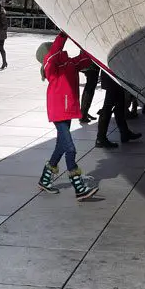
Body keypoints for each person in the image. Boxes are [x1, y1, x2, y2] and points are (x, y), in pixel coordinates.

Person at [36, 33, 98, 201]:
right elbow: (54, 52)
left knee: (61, 146)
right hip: (58, 113)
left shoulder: (68, 63)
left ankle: (45, 179)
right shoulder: (51, 68)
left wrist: (85, 40)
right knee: (70, 148)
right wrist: (64, 34)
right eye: (52, 50)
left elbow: (85, 59)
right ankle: (79, 187)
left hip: (67, 111)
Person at [95, 70, 142, 149]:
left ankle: (124, 133)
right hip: (112, 76)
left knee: (119, 105)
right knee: (108, 106)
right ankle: (100, 138)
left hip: (114, 76)